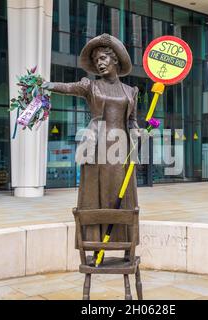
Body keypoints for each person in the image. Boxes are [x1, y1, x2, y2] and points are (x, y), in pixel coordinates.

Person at [42, 33, 140, 245]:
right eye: (96, 61)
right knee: (95, 193)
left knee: (120, 194)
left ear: (115, 60)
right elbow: (68, 88)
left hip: (121, 149)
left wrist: (138, 131)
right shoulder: (90, 86)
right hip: (96, 146)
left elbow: (132, 120)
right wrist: (47, 85)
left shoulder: (131, 91)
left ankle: (122, 241)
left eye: (103, 59)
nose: (100, 64)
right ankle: (95, 241)